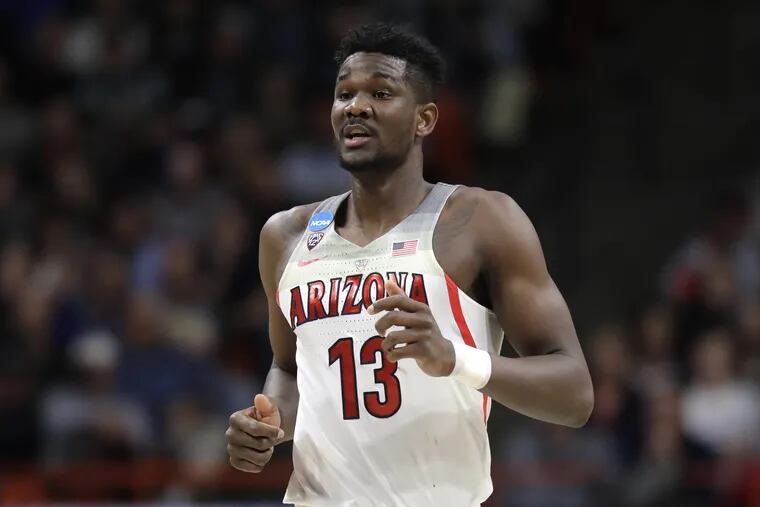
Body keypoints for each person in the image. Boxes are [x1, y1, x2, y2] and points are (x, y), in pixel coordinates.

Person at [225, 23, 594, 506]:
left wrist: (455, 358)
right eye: (344, 94)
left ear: (425, 119)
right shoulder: (285, 235)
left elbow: (574, 395)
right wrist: (268, 424)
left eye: (380, 92)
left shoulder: (482, 220)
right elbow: (289, 369)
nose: (355, 106)